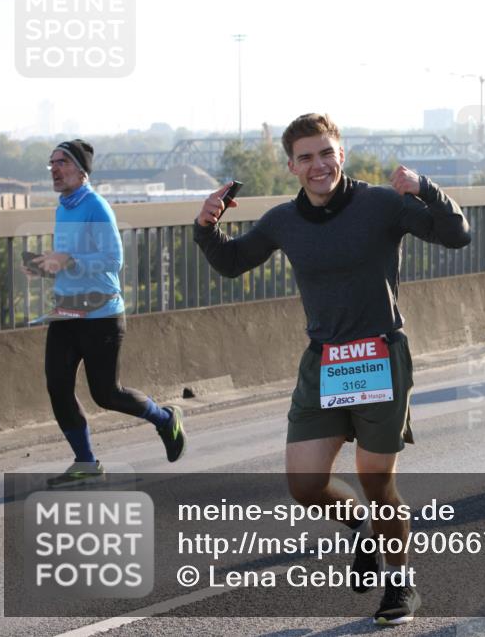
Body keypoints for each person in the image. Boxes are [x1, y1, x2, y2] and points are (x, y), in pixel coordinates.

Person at [193, 113, 470, 625]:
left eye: (326, 153)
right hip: (324, 363)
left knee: (377, 482)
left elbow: (456, 234)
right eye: (306, 157)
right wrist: (206, 227)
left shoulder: (382, 204)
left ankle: (400, 583)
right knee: (304, 484)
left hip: (379, 358)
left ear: (341, 154)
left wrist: (426, 188)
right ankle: (363, 528)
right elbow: (232, 263)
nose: (318, 165)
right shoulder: (283, 220)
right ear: (292, 166)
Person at [27, 140, 186, 487]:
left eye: (63, 163)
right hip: (67, 312)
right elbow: (72, 258)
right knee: (58, 386)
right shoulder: (63, 208)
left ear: (82, 171)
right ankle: (85, 461)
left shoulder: (96, 206)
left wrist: (71, 261)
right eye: (51, 163)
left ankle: (164, 418)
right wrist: (46, 264)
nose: (55, 168)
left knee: (106, 394)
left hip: (100, 315)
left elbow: (113, 262)